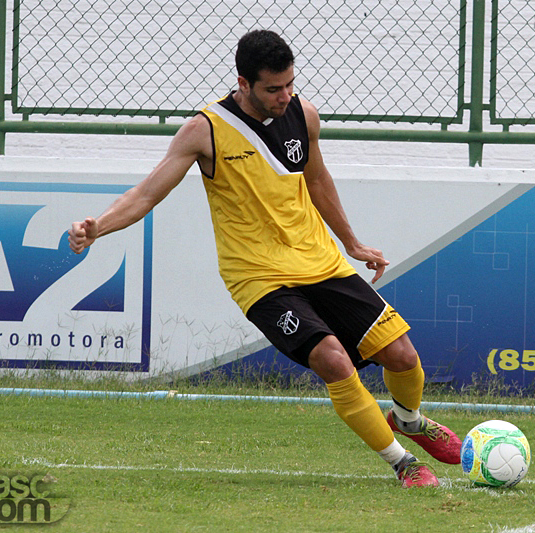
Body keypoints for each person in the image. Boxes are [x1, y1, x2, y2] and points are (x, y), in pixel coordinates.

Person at [68, 29, 461, 488]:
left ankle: (410, 421)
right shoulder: (205, 130)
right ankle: (404, 464)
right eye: (274, 88)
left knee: (401, 353)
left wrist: (352, 244)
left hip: (321, 263)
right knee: (333, 360)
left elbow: (317, 183)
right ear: (243, 83)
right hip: (259, 279)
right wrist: (100, 226)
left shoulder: (304, 115)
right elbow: (147, 193)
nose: (285, 95)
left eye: (290, 83)